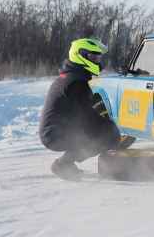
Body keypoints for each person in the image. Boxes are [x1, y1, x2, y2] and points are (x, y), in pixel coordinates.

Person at [39, 37, 129, 181]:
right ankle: (63, 165)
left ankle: (65, 164)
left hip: (54, 131)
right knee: (106, 135)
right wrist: (112, 134)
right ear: (79, 55)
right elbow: (86, 118)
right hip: (55, 134)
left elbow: (84, 110)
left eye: (98, 57)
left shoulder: (72, 77)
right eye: (93, 57)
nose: (97, 61)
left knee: (102, 131)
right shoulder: (77, 82)